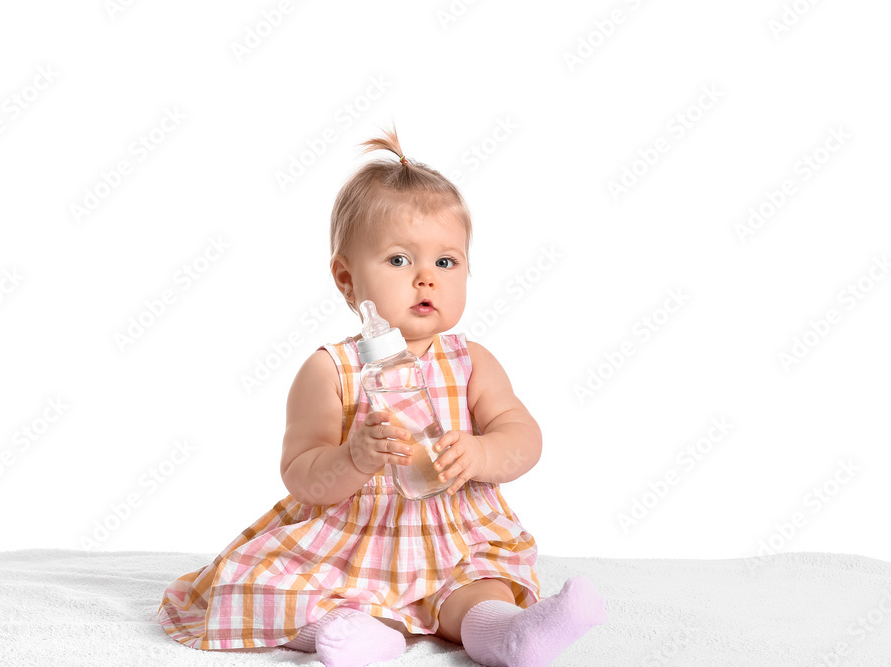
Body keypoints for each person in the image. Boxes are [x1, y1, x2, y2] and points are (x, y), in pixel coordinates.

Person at [157, 123, 607, 667]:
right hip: (350, 541)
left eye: (446, 262)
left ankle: (512, 635)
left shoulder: (472, 363)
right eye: (399, 260)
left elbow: (524, 437)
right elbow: (301, 472)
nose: (426, 279)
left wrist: (482, 452)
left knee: (479, 588)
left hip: (454, 535)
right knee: (277, 589)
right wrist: (350, 457)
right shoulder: (331, 370)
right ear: (347, 280)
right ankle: (356, 633)